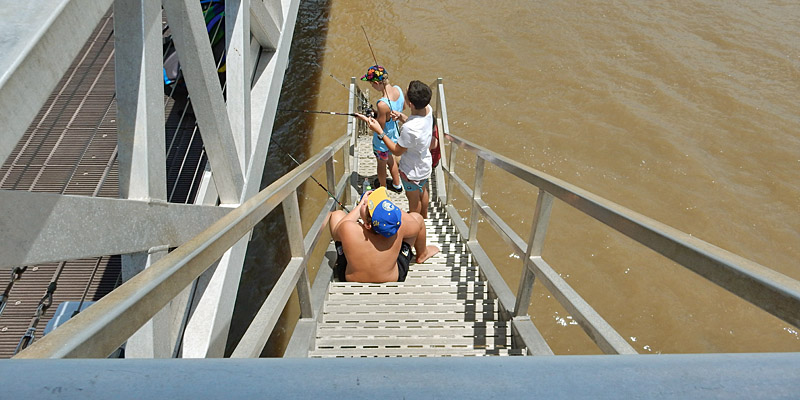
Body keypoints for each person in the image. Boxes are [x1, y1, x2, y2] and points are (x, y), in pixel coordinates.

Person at [356, 80, 434, 218]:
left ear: (410, 104)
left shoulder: (409, 129)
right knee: (423, 191)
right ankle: (425, 216)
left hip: (411, 171)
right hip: (425, 164)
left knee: (413, 201)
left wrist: (380, 131)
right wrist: (402, 117)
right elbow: (417, 125)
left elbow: (396, 151)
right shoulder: (428, 110)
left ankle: (416, 223)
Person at [329, 187, 439, 283]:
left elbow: (337, 230)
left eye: (365, 205)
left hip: (351, 278)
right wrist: (392, 211)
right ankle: (422, 254)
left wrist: (360, 205)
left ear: (367, 225)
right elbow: (416, 225)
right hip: (392, 277)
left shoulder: (348, 228)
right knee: (417, 217)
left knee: (336, 215)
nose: (364, 203)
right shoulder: (400, 228)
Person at [360, 65, 404, 193]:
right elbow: (401, 109)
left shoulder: (382, 103)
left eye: (371, 84)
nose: (371, 86)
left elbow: (379, 128)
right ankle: (397, 185)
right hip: (394, 137)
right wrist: (377, 114)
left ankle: (382, 189)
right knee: (391, 161)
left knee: (381, 164)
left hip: (382, 142)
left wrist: (366, 118)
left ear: (377, 83)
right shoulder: (398, 90)